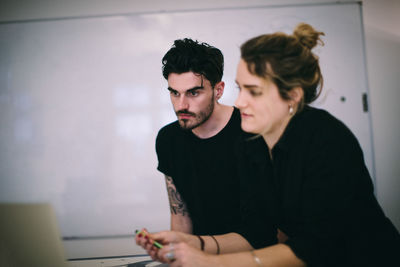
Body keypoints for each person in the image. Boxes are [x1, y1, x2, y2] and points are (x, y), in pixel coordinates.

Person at [137, 23, 400, 267]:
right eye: (241, 89)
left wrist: (211, 260)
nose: (239, 102)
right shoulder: (255, 141)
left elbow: (315, 245)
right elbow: (259, 230)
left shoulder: (325, 138)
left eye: (254, 91)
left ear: (292, 96)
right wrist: (194, 244)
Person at [149, 39, 244, 236]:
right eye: (174, 93)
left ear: (218, 90)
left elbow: (273, 226)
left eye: (193, 93)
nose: (181, 105)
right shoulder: (168, 139)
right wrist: (177, 252)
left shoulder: (249, 131)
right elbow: (180, 217)